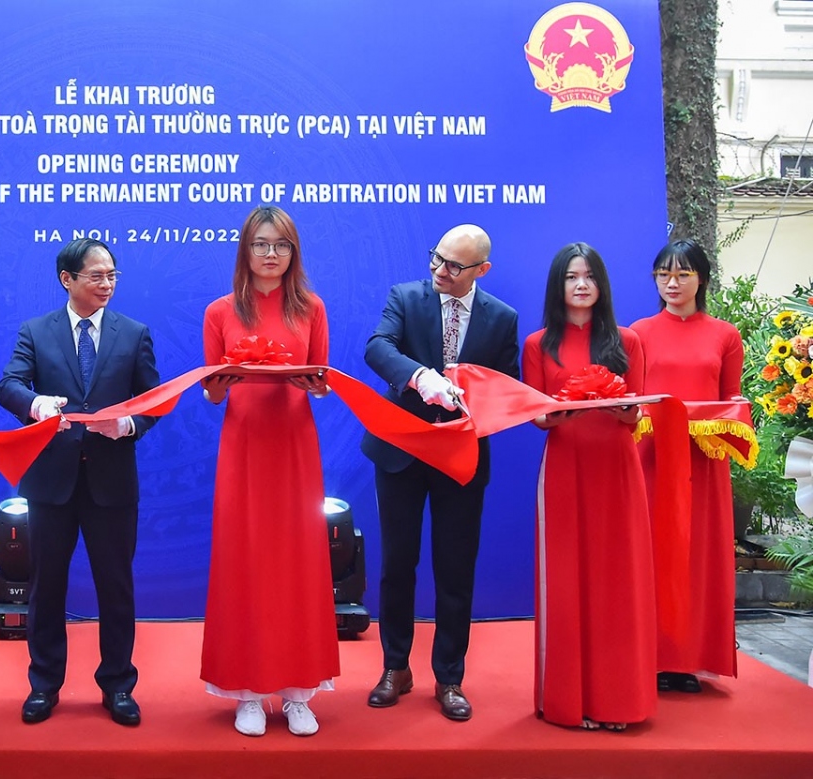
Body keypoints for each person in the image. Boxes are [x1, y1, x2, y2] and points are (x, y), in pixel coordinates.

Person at [0, 238, 159, 727]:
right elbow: (8, 385)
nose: (106, 284)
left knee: (116, 587)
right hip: (52, 482)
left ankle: (118, 685)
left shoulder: (134, 333)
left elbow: (153, 399)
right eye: (96, 276)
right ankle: (44, 685)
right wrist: (36, 405)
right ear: (67, 279)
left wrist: (127, 425)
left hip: (112, 483)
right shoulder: (35, 331)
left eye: (112, 275)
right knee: (46, 587)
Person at [361, 224, 519, 722]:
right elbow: (377, 347)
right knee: (397, 564)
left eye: (453, 265)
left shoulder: (502, 318)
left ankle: (449, 677)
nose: (439, 271)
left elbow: (506, 385)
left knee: (455, 570)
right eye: (437, 258)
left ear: (481, 270)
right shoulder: (406, 297)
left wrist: (474, 397)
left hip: (460, 458)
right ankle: (395, 667)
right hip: (401, 451)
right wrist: (419, 376)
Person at [201, 205, 339, 737]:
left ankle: (298, 691)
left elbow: (322, 380)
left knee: (299, 560)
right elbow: (212, 393)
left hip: (294, 444)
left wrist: (315, 385)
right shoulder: (220, 311)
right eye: (260, 244)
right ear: (245, 250)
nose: (270, 254)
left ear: (293, 253)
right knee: (245, 559)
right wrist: (220, 386)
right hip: (243, 445)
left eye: (281, 245)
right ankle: (249, 693)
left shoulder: (312, 307)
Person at [522, 242, 656, 730]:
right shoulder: (538, 344)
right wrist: (558, 412)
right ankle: (566, 700)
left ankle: (617, 702)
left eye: (590, 276)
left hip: (617, 469)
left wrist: (624, 410)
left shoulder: (628, 341)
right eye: (571, 277)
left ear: (602, 284)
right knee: (565, 581)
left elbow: (637, 412)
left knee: (617, 582)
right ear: (557, 285)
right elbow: (536, 415)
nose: (581, 285)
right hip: (565, 467)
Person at [632, 239, 743, 693]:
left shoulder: (725, 335)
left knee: (698, 556)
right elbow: (631, 400)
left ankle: (688, 657)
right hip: (651, 460)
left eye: (682, 274)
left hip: (704, 461)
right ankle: (648, 654)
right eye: (663, 274)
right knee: (652, 553)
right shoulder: (638, 333)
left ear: (702, 278)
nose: (672, 283)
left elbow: (733, 401)